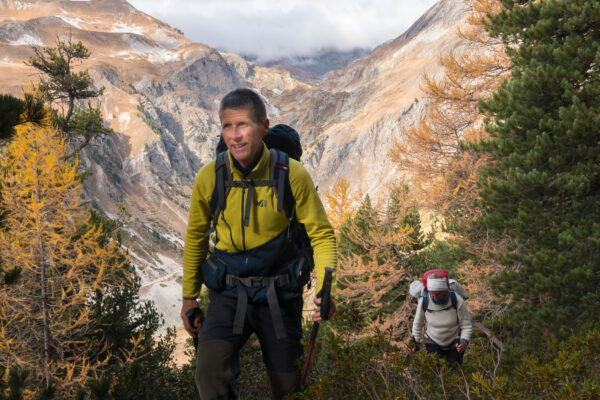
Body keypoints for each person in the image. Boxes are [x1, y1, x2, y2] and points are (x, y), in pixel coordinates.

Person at [180, 88, 337, 400]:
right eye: (227, 126)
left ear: (264, 127)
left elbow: (321, 234)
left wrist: (326, 288)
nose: (234, 136)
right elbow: (196, 237)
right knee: (209, 377)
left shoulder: (292, 175)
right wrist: (189, 298)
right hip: (227, 293)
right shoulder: (210, 177)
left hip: (279, 294)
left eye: (243, 125)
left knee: (288, 388)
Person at [411, 274, 472, 366]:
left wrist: (463, 343)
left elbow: (466, 325)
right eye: (432, 293)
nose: (434, 297)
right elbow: (417, 324)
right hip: (432, 340)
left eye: (438, 294)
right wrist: (415, 343)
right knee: (435, 372)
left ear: (444, 291)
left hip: (454, 340)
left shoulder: (457, 300)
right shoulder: (424, 300)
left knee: (454, 372)